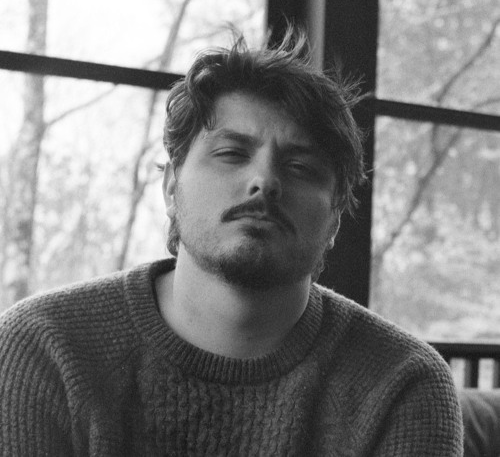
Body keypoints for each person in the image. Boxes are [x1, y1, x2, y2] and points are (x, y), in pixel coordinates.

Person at [0, 27, 463, 456]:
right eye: (231, 153)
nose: (265, 181)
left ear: (335, 218)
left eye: (300, 167)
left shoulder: (403, 383)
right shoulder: (44, 348)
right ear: (171, 188)